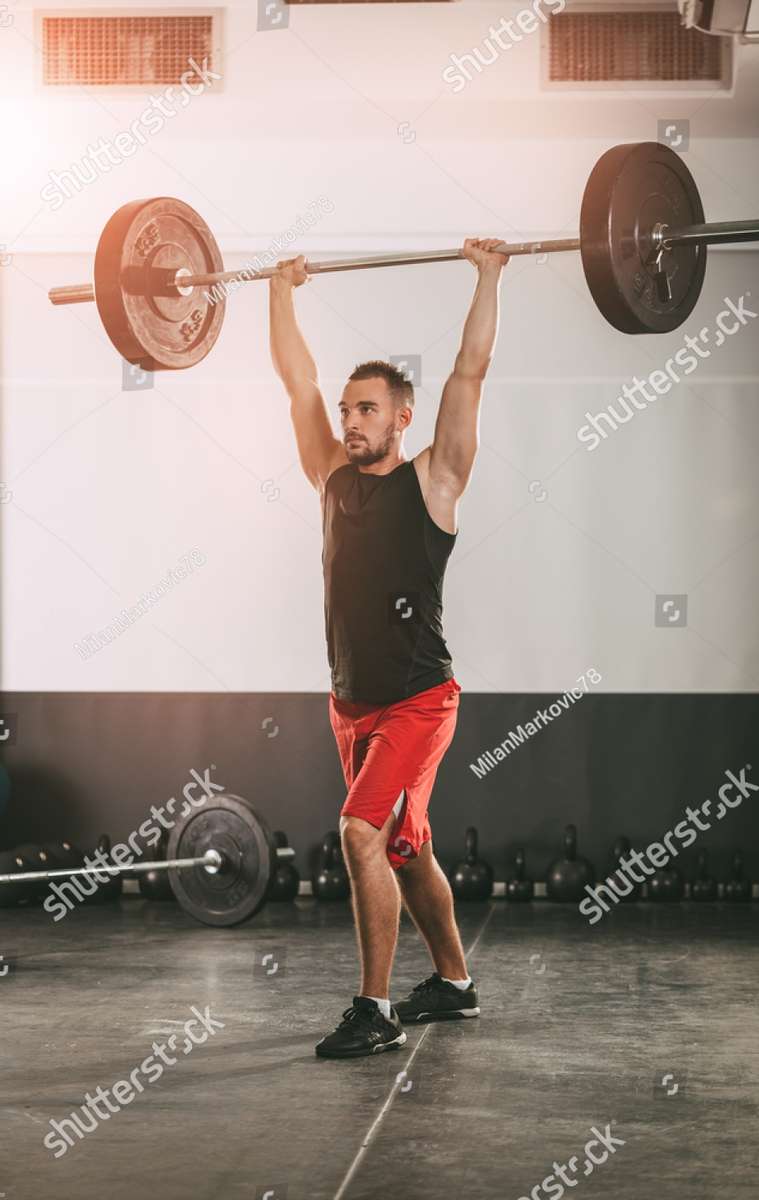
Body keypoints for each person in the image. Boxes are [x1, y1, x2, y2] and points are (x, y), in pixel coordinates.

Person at [269, 238, 509, 1058]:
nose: (349, 420)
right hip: (350, 704)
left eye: (366, 409)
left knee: (359, 832)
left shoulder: (434, 482)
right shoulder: (332, 480)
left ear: (401, 416)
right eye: (347, 411)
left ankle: (373, 1011)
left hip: (417, 699)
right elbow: (295, 380)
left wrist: (488, 275)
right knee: (406, 849)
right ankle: (455, 983)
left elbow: (469, 374)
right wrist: (280, 290)